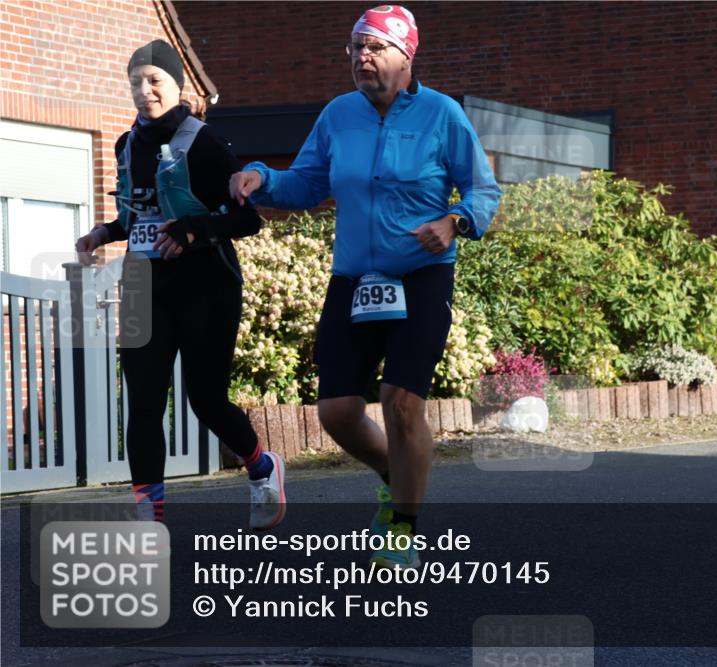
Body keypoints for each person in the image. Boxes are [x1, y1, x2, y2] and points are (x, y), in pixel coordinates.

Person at [230, 5, 500, 568]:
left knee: (401, 403)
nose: (362, 58)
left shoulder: (442, 115)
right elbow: (305, 182)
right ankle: (393, 474)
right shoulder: (337, 116)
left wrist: (454, 221)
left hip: (422, 274)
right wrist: (262, 178)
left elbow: (483, 190)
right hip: (355, 278)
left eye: (374, 47)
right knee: (336, 411)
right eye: (355, 48)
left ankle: (403, 523)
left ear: (406, 56)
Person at [75, 40, 286, 530]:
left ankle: (262, 467)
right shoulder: (126, 145)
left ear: (177, 85)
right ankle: (151, 520)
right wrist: (102, 233)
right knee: (144, 399)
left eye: (155, 81)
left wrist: (197, 231)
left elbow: (247, 221)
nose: (144, 91)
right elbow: (138, 216)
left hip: (206, 285)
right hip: (142, 281)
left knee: (205, 398)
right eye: (136, 82)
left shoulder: (205, 143)